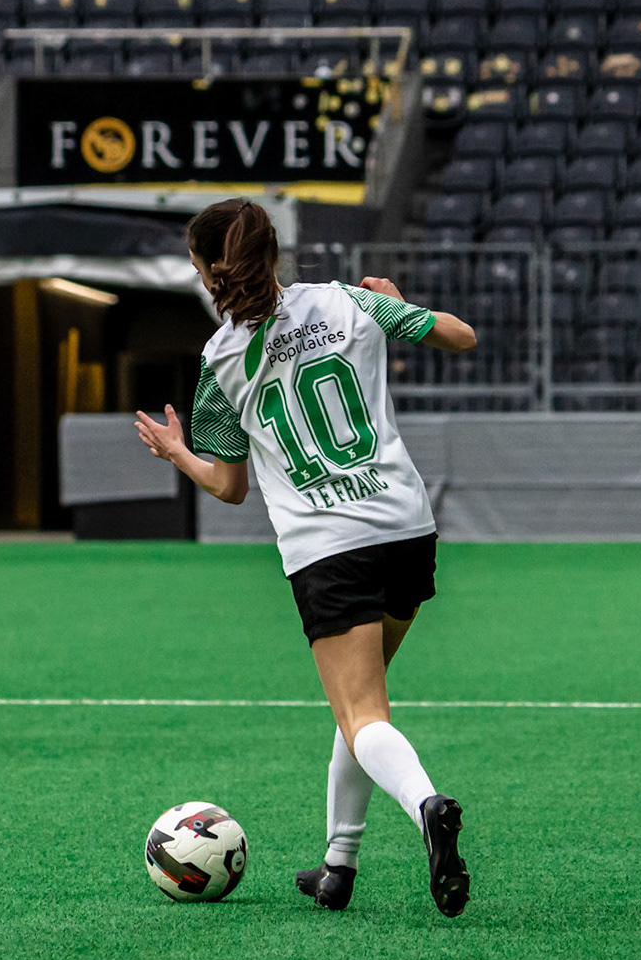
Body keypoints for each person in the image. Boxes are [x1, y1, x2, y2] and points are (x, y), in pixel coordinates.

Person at [134, 199, 479, 918]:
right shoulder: (346, 300)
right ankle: (338, 864)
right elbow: (460, 336)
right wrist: (401, 305)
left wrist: (176, 453)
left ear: (207, 269)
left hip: (329, 548)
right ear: (274, 253)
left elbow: (227, 486)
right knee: (358, 705)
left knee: (362, 712)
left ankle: (427, 806)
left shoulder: (221, 359)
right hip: (406, 527)